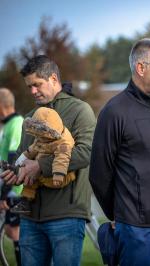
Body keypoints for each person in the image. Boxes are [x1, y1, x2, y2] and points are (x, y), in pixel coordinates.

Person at [89, 38, 150, 266]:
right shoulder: (114, 111)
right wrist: (117, 215)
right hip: (138, 228)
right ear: (140, 68)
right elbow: (99, 174)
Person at [0, 55, 96, 266]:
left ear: (53, 78)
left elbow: (87, 153)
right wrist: (14, 173)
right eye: (29, 86)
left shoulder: (80, 110)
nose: (33, 91)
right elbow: (23, 156)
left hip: (66, 216)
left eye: (37, 84)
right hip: (30, 217)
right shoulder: (30, 117)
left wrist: (41, 166)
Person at [10, 107, 75, 214]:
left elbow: (62, 157)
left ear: (53, 132)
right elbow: (32, 149)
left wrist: (58, 173)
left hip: (60, 176)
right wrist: (20, 160)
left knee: (31, 176)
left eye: (43, 137)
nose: (40, 139)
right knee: (29, 179)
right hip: (43, 170)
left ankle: (19, 175)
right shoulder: (42, 138)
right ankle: (25, 201)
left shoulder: (64, 143)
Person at [0, 88, 23, 266]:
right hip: (10, 188)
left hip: (16, 190)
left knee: (14, 231)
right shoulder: (7, 124)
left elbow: (12, 160)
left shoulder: (16, 123)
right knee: (11, 230)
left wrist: (4, 194)